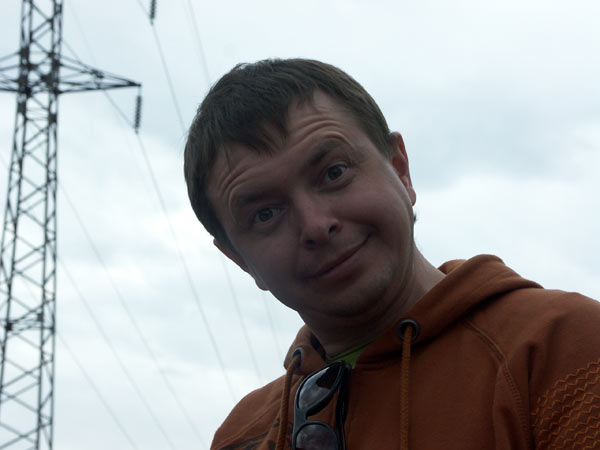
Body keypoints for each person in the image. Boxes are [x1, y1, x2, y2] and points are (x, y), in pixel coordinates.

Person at [184, 59, 600, 450]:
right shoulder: (244, 435)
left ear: (400, 169)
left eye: (334, 173)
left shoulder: (561, 351)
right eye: (265, 214)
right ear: (240, 260)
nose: (316, 225)